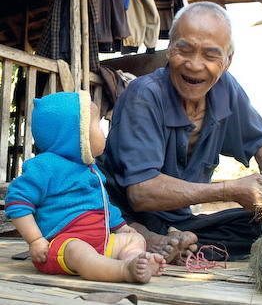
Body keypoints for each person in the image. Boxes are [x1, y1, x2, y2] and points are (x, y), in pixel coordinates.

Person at [103, 1, 262, 261]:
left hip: (179, 221)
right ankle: (144, 239)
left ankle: (172, 243)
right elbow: (141, 194)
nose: (195, 65)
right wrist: (229, 190)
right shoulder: (144, 94)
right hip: (118, 212)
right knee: (95, 220)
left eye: (210, 55)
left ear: (228, 60)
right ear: (170, 49)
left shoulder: (226, 90)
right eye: (184, 50)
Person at [5, 91, 166, 283]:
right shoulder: (45, 166)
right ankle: (123, 271)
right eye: (96, 125)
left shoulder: (91, 170)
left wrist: (122, 228)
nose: (102, 132)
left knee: (136, 239)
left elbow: (104, 205)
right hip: (61, 246)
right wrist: (35, 240)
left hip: (101, 242)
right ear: (75, 134)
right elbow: (17, 202)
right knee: (78, 251)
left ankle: (133, 260)